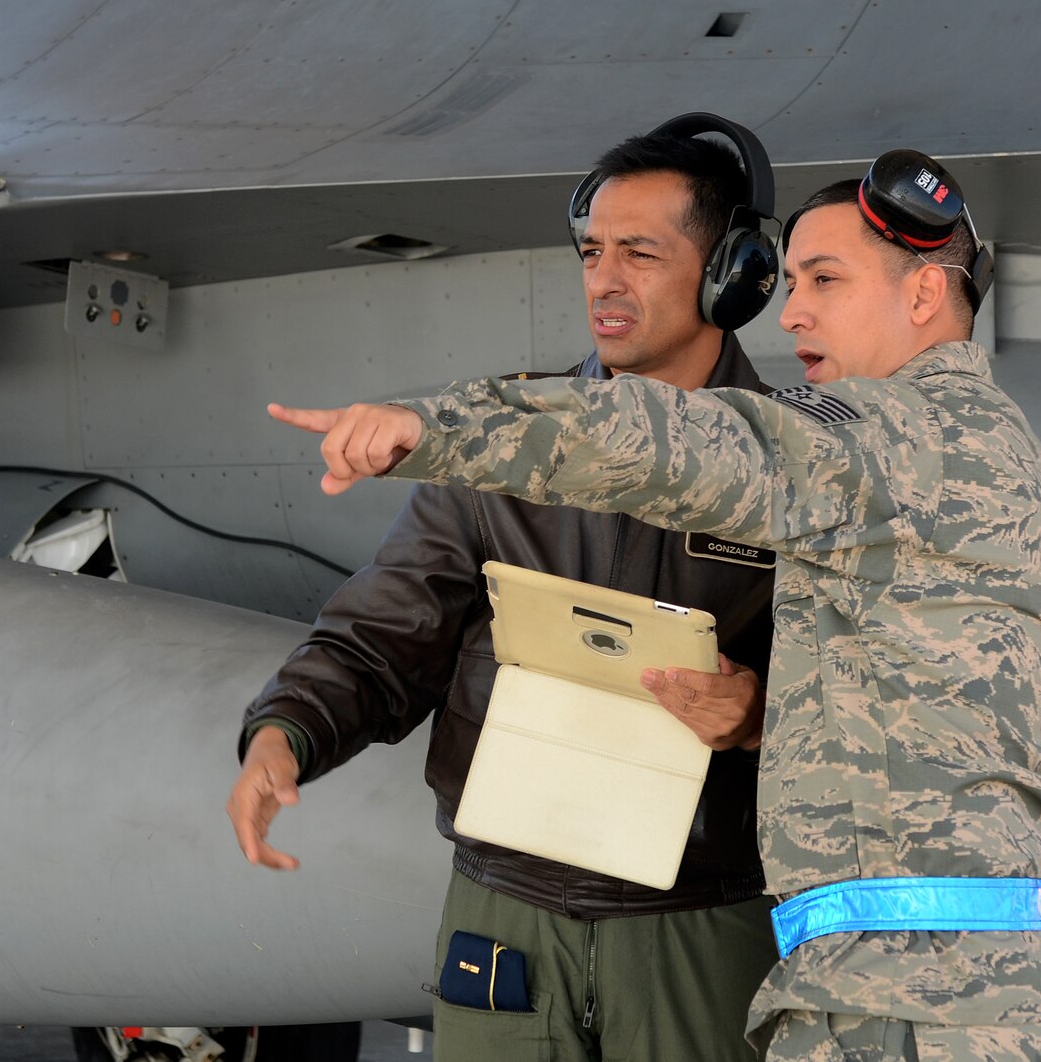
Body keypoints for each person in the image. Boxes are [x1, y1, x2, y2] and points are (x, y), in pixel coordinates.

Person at [268, 154, 1041, 1062]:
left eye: (825, 280)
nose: (791, 313)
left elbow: (684, 439)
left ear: (922, 297)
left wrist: (438, 432)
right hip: (1035, 1006)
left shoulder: (878, 441)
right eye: (790, 282)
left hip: (896, 1009)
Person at [227, 115, 789, 1061]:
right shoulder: (500, 442)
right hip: (505, 910)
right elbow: (384, 631)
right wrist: (284, 733)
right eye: (592, 251)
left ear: (730, 274)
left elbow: (870, 684)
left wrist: (761, 710)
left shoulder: (797, 464)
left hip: (702, 917)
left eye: (640, 253)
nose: (604, 280)